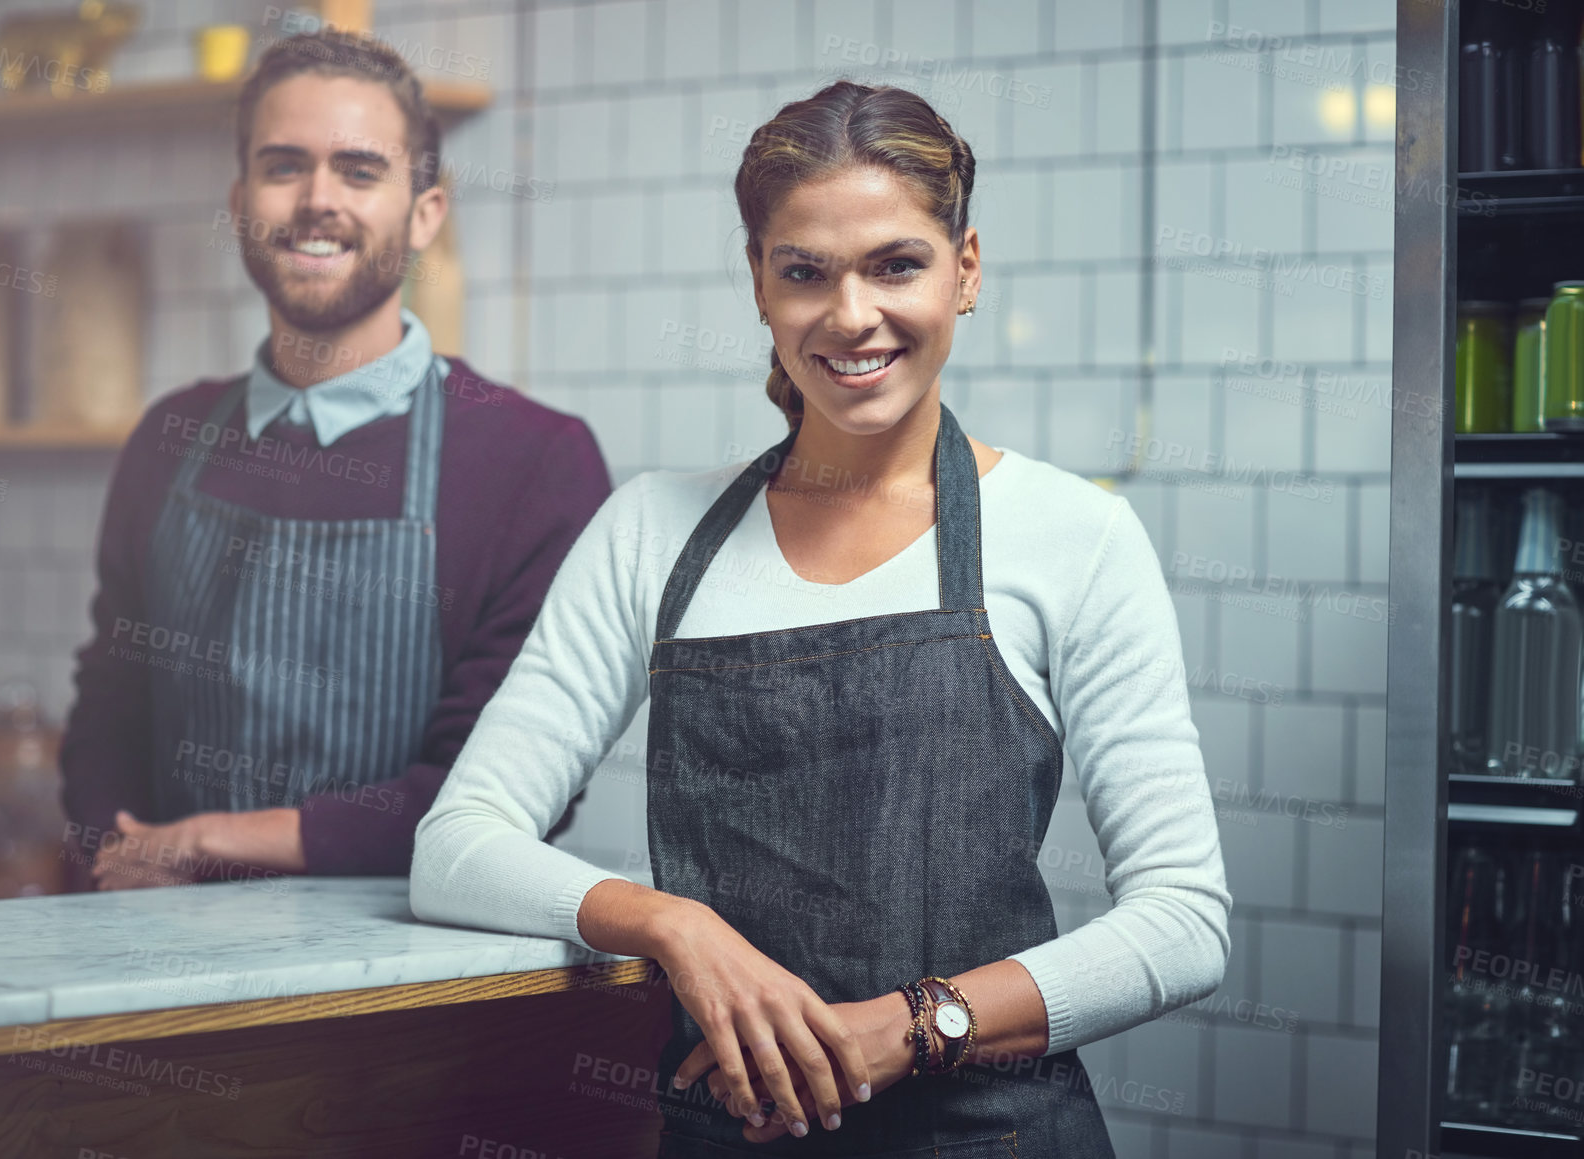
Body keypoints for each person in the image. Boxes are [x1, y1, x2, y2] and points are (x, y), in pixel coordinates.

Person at [410, 81, 1229, 1156]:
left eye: (895, 264)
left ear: (964, 270)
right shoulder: (649, 529)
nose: (850, 316)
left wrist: (909, 1026)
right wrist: (676, 925)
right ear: (759, 284)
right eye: (804, 272)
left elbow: (1182, 921)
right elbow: (456, 848)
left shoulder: (1073, 534)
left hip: (989, 1132)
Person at [58, 30, 611, 889]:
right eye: (284, 167)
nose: (317, 199)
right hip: (154, 946)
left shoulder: (537, 461)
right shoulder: (168, 436)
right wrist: (117, 854)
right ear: (242, 198)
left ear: (426, 210)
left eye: (359, 170)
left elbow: (504, 785)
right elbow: (108, 707)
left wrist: (215, 838)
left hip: (405, 978)